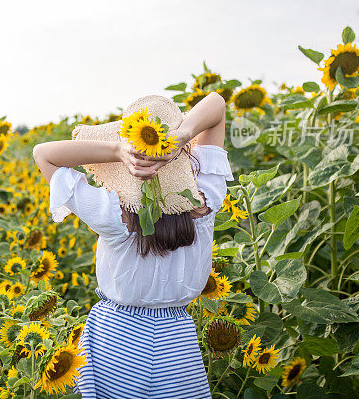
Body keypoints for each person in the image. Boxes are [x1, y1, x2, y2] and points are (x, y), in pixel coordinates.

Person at [32, 92, 231, 398]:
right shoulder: (205, 201)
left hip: (116, 339)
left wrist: (118, 150)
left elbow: (43, 153)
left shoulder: (114, 214)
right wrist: (182, 135)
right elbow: (216, 103)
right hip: (176, 344)